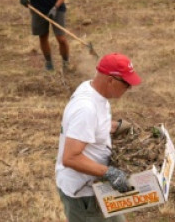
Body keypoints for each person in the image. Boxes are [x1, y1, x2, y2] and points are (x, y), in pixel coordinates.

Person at [56, 53, 141, 222]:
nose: (129, 88)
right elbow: (70, 158)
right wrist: (109, 172)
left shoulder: (94, 91)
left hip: (99, 187)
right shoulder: (86, 108)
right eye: (126, 84)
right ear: (110, 80)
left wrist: (115, 126)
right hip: (84, 195)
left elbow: (90, 127)